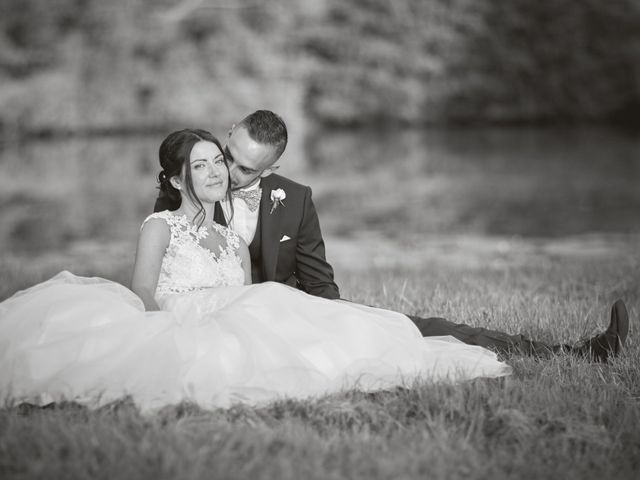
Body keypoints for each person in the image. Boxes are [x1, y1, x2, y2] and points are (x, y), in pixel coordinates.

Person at [0, 129, 511, 412]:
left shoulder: (232, 241)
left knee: (315, 329)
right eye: (199, 166)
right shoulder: (158, 226)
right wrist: (172, 332)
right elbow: (141, 293)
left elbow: (244, 296)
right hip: (171, 318)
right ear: (177, 180)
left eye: (215, 162)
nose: (214, 171)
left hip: (233, 312)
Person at [155, 111, 629, 362]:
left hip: (296, 314)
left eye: (246, 167)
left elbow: (319, 281)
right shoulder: (187, 184)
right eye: (228, 155)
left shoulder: (295, 199)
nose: (230, 173)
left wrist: (341, 320)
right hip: (231, 329)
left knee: (412, 327)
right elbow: (169, 274)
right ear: (230, 130)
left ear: (272, 168)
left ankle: (575, 352)